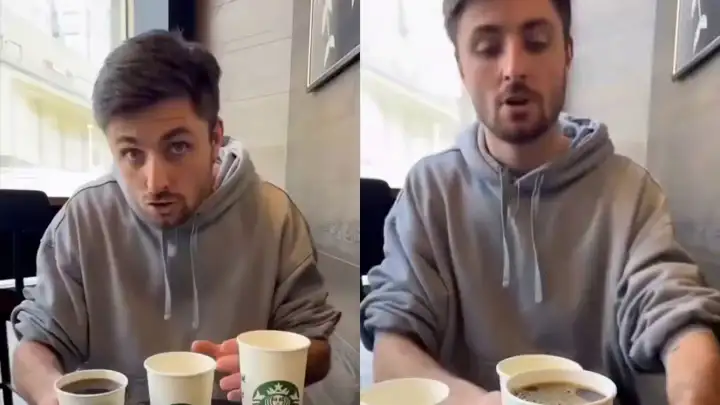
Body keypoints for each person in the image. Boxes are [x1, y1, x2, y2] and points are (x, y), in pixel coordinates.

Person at [360, 1, 720, 404]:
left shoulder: (631, 193)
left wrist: (695, 371)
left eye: (536, 42)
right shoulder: (429, 192)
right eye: (488, 48)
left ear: (567, 53)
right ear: (461, 66)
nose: (513, 68)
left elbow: (676, 315)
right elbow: (392, 348)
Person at [11, 30, 340, 404]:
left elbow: (316, 345)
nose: (156, 183)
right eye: (132, 154)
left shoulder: (275, 216)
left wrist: (280, 362)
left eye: (178, 147)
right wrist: (51, 395)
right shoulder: (84, 220)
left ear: (214, 138)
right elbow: (36, 346)